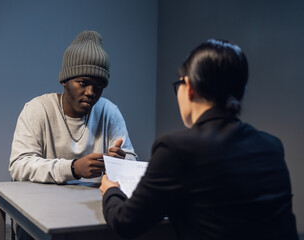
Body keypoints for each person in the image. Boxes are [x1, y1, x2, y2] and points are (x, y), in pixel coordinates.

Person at [100, 39, 299, 240]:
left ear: (190, 87)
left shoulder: (175, 149)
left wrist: (111, 192)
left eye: (179, 85)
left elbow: (126, 223)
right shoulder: (272, 147)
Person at [9, 30, 137, 183]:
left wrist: (120, 162)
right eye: (83, 83)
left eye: (98, 86)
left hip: (95, 202)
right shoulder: (37, 109)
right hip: (43, 203)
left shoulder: (109, 111)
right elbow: (18, 166)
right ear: (65, 80)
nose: (90, 92)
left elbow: (131, 163)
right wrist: (73, 168)